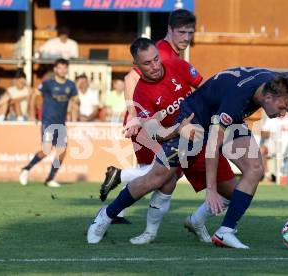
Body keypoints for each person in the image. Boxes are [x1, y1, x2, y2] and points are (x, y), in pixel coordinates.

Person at [88, 66, 288, 249]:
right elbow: (213, 145)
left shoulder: (282, 80)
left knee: (255, 168)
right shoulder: (236, 100)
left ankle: (225, 231)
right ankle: (105, 216)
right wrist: (211, 189)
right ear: (269, 97)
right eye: (282, 107)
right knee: (156, 179)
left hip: (225, 118)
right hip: (195, 120)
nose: (284, 113)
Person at [96, 38, 237, 245]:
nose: (155, 65)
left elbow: (207, 89)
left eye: (156, 59)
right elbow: (154, 132)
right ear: (137, 66)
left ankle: (197, 220)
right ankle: (117, 220)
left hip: (200, 137)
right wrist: (174, 128)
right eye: (147, 63)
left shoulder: (177, 64)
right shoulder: (141, 92)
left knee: (234, 193)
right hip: (171, 138)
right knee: (161, 180)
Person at [101, 10, 198, 235]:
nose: (186, 37)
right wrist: (133, 114)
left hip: (160, 123)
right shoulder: (161, 53)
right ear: (170, 30)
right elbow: (130, 78)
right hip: (147, 123)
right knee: (164, 173)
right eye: (181, 32)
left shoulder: (172, 55)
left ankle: (117, 212)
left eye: (190, 33)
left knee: (157, 173)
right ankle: (119, 178)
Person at [19, 59, 79, 188]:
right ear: (55, 69)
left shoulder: (71, 85)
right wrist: (31, 113)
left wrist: (76, 107)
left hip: (61, 123)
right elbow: (34, 95)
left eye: (64, 68)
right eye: (60, 68)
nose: (62, 70)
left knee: (62, 152)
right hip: (48, 121)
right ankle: (26, 169)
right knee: (47, 150)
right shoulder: (48, 84)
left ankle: (50, 178)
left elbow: (75, 100)